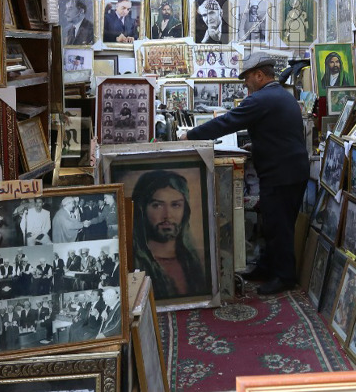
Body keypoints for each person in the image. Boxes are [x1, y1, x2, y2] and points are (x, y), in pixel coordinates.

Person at [182, 52, 309, 295]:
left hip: (282, 174)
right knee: (272, 223)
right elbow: (281, 133)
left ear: (259, 75)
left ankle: (284, 277)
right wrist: (257, 145)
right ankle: (266, 267)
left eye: (247, 78)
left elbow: (226, 123)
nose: (245, 84)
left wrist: (190, 135)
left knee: (279, 226)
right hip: (290, 170)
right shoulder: (281, 96)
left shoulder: (261, 99)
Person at [126, 170, 210, 300]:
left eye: (176, 205)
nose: (167, 215)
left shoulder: (193, 261)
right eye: (157, 205)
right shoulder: (132, 264)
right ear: (141, 209)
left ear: (185, 210)